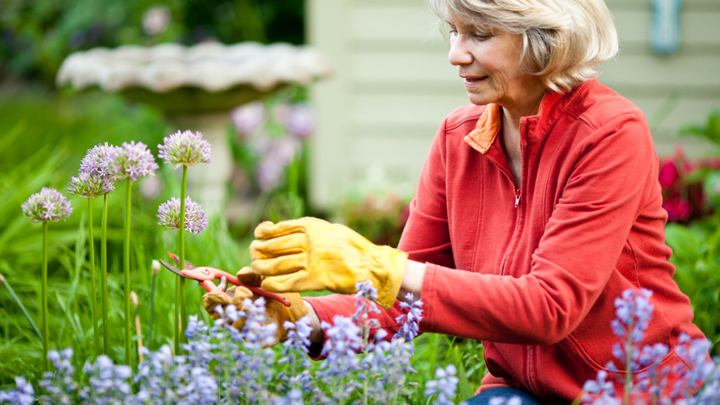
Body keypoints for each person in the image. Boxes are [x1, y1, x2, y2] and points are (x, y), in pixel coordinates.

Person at [203, 0, 706, 403]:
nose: (455, 54)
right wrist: (298, 318)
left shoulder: (610, 133)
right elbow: (402, 303)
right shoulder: (458, 137)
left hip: (638, 390)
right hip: (519, 391)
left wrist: (380, 267)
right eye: (454, 32)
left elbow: (550, 308)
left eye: (479, 35)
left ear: (544, 41)